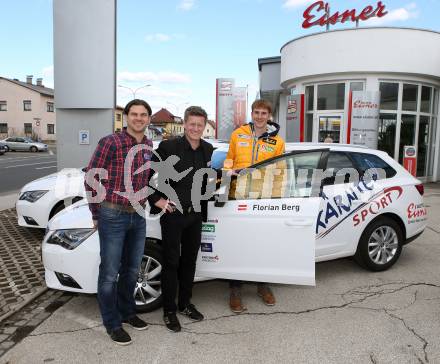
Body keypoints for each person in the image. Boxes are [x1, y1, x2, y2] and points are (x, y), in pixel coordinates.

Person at [84, 99, 153, 345]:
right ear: (126, 117)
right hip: (112, 214)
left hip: (138, 214)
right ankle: (112, 323)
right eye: (134, 114)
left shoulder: (147, 143)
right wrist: (95, 213)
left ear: (148, 119)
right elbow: (92, 178)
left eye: (143, 115)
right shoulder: (110, 142)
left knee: (132, 270)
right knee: (110, 273)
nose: (139, 118)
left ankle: (127, 313)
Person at [148, 106, 214, 332]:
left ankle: (185, 303)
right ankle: (168, 311)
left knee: (189, 263)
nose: (196, 128)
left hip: (195, 216)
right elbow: (145, 176)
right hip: (173, 216)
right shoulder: (168, 147)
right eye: (192, 124)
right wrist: (157, 200)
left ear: (204, 127)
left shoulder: (208, 148)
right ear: (185, 124)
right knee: (171, 263)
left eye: (200, 125)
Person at [224, 99, 285, 313]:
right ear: (252, 113)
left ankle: (262, 285)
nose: (260, 116)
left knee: (262, 244)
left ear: (269, 116)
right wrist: (227, 171)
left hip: (263, 199)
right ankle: (235, 289)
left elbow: (280, 170)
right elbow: (228, 160)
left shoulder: (277, 141)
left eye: (264, 113)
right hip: (238, 197)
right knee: (238, 245)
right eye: (256, 112)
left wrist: (276, 198)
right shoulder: (237, 134)